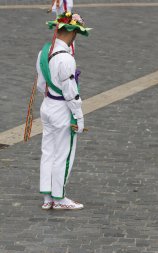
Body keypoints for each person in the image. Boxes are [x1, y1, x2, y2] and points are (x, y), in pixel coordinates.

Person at [36, 12, 91, 210]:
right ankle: (59, 198)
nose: (76, 37)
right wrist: (78, 116)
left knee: (48, 152)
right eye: (76, 32)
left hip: (47, 106)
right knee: (63, 154)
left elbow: (41, 84)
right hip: (61, 109)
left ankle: (47, 198)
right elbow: (71, 93)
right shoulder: (66, 59)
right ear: (71, 32)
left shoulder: (43, 52)